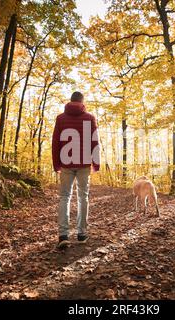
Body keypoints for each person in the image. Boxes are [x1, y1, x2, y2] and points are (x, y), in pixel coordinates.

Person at [52, 91, 100, 249]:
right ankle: (81, 233)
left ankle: (63, 235)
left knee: (64, 197)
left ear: (70, 101)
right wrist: (96, 163)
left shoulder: (60, 118)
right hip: (84, 163)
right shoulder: (90, 118)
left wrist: (56, 163)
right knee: (83, 197)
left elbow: (55, 142)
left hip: (66, 162)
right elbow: (95, 142)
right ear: (82, 102)